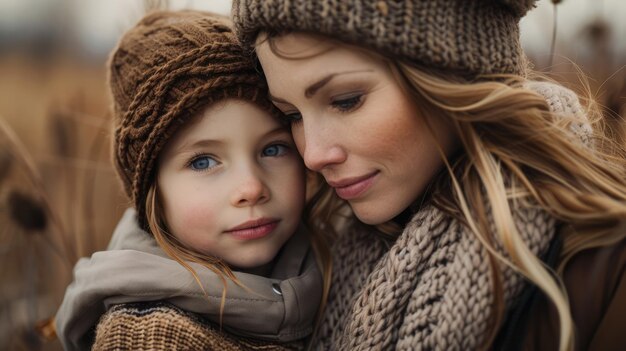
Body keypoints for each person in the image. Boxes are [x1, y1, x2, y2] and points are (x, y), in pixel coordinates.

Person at [231, 0, 626, 350]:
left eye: (346, 101)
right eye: (293, 115)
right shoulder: (313, 259)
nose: (314, 155)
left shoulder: (607, 267)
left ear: (454, 76)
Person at [54, 10, 327, 351]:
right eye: (203, 161)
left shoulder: (329, 255)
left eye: (273, 149)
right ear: (153, 192)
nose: (251, 188)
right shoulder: (146, 336)